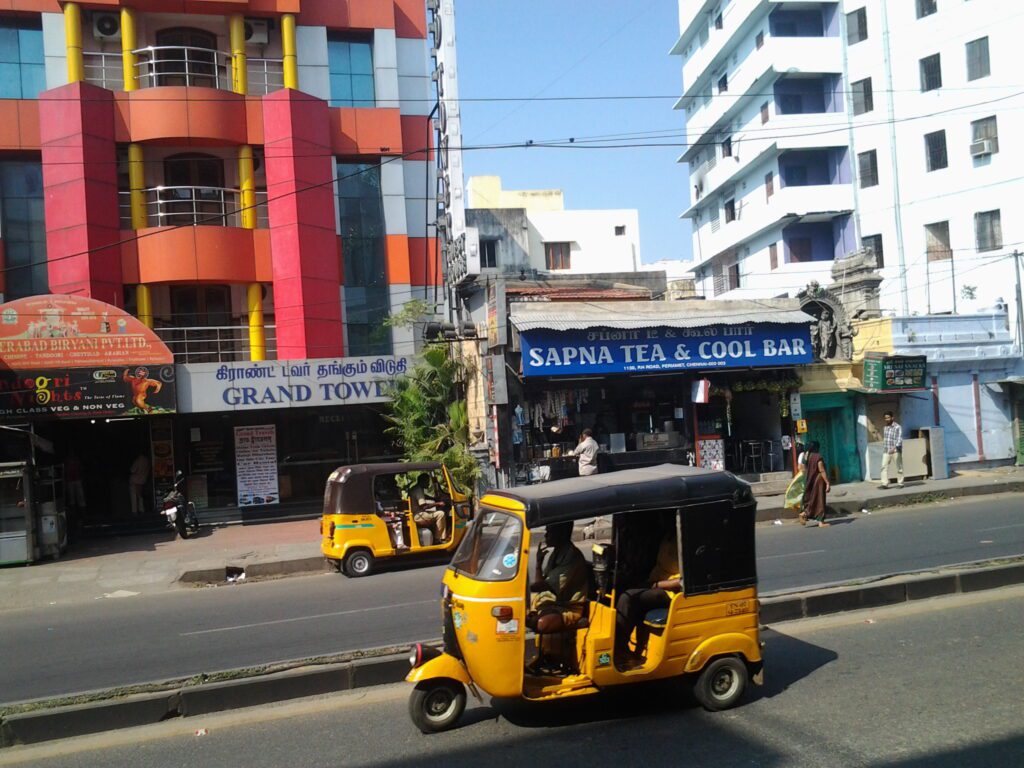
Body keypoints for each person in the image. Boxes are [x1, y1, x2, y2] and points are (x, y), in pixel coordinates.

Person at [615, 515, 681, 669]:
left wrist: (656, 584)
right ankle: (628, 648)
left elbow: (681, 581)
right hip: (655, 583)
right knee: (618, 589)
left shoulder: (683, 541)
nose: (662, 521)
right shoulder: (666, 538)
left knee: (628, 598)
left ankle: (619, 649)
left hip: (670, 593)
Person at [527, 521, 589, 674]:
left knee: (541, 623)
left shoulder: (572, 557)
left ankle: (551, 656)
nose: (546, 535)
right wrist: (538, 563)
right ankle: (546, 655)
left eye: (549, 532)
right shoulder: (556, 553)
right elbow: (540, 582)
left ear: (561, 533)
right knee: (526, 616)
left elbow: (544, 585)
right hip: (550, 603)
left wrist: (519, 587)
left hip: (568, 607)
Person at [800, 441, 830, 527]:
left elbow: (802, 469)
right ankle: (821, 522)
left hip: (809, 480)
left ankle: (804, 513)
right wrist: (827, 483)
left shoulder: (805, 456)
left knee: (811, 499)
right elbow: (821, 470)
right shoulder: (817, 456)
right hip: (819, 480)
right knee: (820, 500)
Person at [409, 474, 447, 543]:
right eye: (427, 481)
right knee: (441, 514)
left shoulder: (416, 488)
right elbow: (424, 506)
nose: (429, 484)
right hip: (418, 515)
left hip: (416, 513)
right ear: (422, 481)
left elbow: (424, 496)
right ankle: (438, 538)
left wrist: (434, 498)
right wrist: (438, 503)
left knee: (434, 512)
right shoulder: (419, 490)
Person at [879, 411, 905, 489]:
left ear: (892, 418)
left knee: (899, 467)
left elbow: (900, 439)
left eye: (888, 417)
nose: (887, 419)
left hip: (896, 450)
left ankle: (900, 483)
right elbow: (886, 439)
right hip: (886, 450)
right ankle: (884, 484)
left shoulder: (897, 427)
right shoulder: (885, 427)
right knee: (883, 466)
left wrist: (894, 448)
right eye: (885, 418)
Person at [128, 452, 150, 517]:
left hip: (135, 481)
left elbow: (132, 470)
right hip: (143, 481)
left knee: (134, 496)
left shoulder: (137, 460)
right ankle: (142, 509)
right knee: (140, 496)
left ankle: (134, 511)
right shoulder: (147, 461)